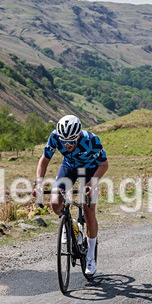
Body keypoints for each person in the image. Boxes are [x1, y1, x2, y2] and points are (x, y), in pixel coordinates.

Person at [33, 115, 108, 275]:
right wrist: (39, 183)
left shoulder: (92, 140)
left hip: (89, 171)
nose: (67, 145)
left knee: (89, 211)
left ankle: (90, 257)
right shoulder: (54, 137)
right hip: (68, 168)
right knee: (55, 202)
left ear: (79, 135)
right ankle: (71, 226)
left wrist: (91, 184)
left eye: (72, 141)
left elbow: (104, 164)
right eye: (64, 141)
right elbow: (44, 160)